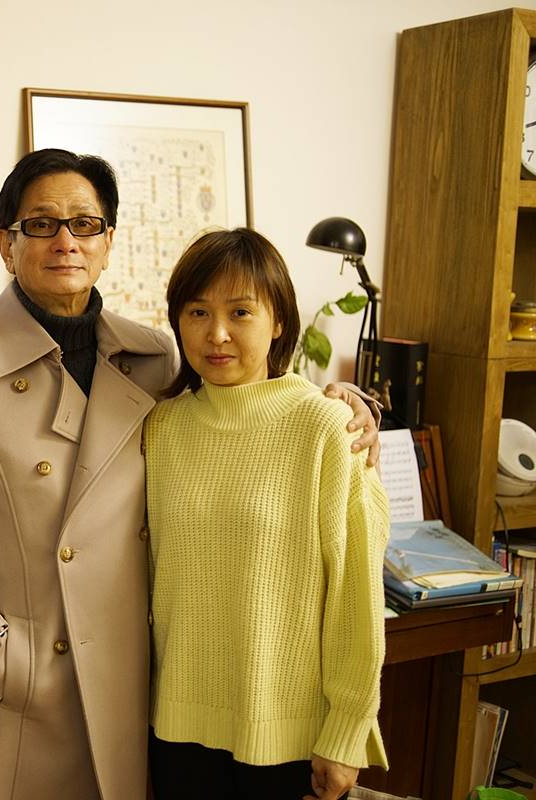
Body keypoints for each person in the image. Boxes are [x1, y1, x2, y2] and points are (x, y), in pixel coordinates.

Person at [0, 149, 381, 800]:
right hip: (12, 683)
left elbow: (243, 414)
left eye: (85, 224)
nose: (66, 240)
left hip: (126, 688)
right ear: (7, 244)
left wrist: (342, 400)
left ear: (108, 241)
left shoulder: (151, 359)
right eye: (41, 224)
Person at [145, 228, 390, 800]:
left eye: (241, 312)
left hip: (289, 738)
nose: (217, 333)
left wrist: (347, 732)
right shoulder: (160, 427)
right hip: (176, 728)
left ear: (278, 321)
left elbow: (356, 593)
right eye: (198, 312)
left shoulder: (327, 428)